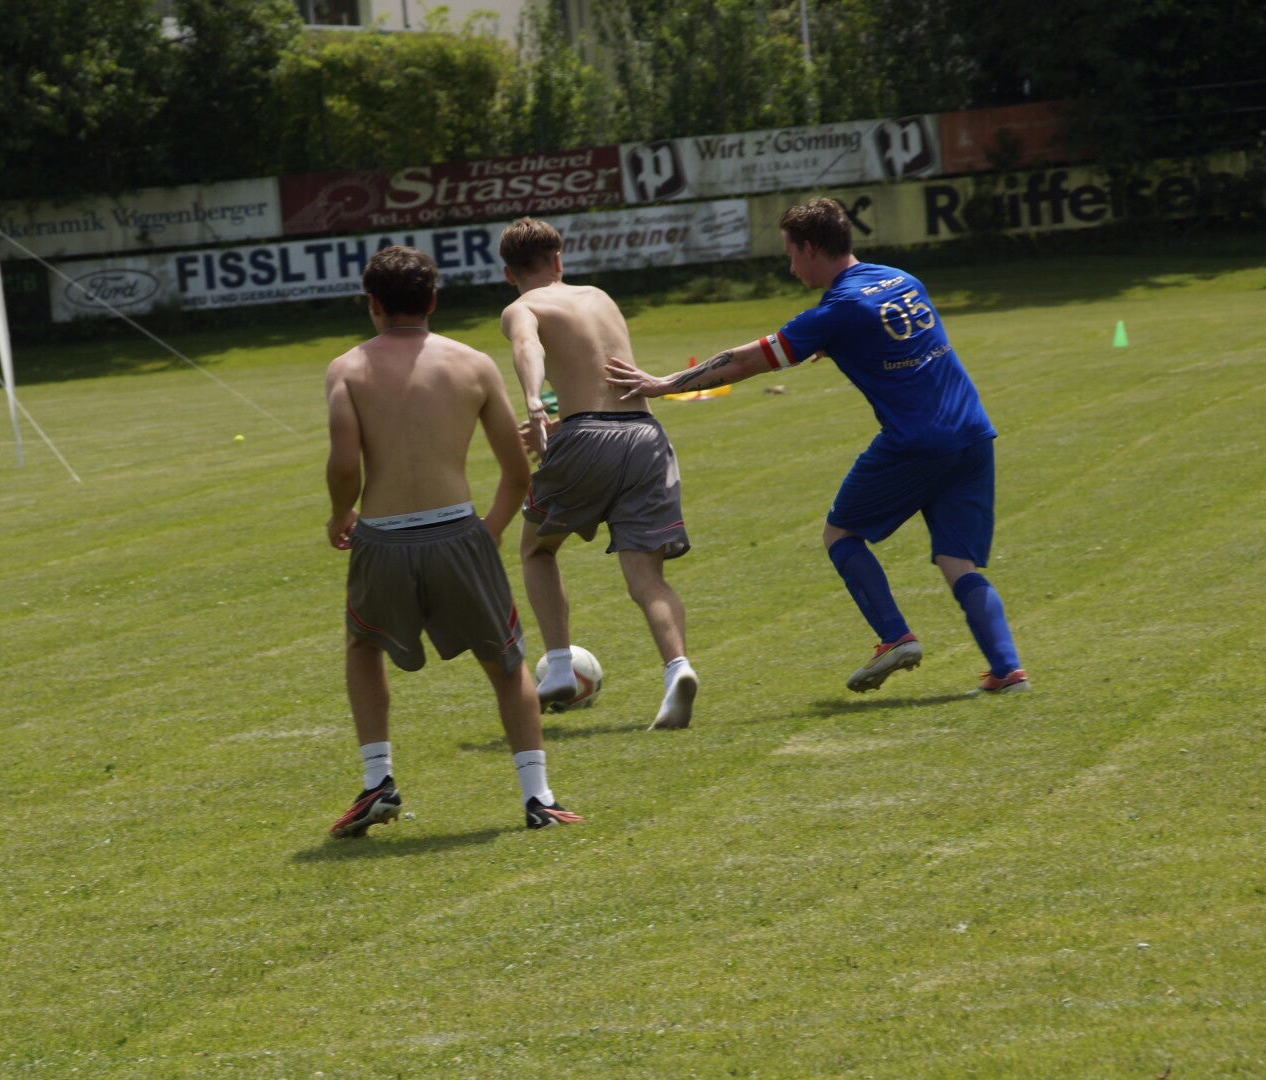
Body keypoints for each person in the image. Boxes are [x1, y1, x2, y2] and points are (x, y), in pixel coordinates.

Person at [605, 197, 1029, 697]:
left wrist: (664, 384)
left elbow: (744, 361)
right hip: (973, 433)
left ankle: (895, 637)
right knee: (957, 560)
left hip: (916, 441)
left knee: (840, 533)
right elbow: (894, 340)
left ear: (809, 248)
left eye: (790, 254)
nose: (790, 267)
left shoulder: (838, 309)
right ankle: (1008, 671)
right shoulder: (901, 279)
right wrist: (841, 343)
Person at [324, 245, 584, 838]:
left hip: (383, 538)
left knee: (364, 646)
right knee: (506, 661)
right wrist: (486, 532)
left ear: (372, 304)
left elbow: (344, 464)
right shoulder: (473, 364)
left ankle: (377, 780)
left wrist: (341, 513)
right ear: (434, 301)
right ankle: (538, 796)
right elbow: (517, 472)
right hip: (459, 533)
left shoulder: (347, 368)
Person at [497, 217, 700, 731]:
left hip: (585, 437)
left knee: (537, 550)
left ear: (508, 274)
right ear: (558, 260)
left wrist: (534, 400)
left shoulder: (522, 307)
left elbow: (528, 346)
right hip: (645, 436)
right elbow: (601, 384)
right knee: (647, 577)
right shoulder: (601, 298)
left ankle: (559, 666)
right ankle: (677, 668)